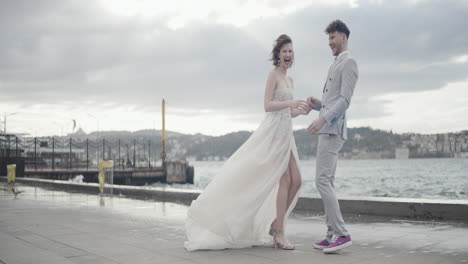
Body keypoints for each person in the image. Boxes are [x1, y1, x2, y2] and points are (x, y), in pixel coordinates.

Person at [185, 34, 310, 251]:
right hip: (272, 133)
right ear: (277, 55)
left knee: (297, 180)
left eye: (291, 51)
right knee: (286, 179)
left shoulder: (290, 80)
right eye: (284, 51)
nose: (288, 55)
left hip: (286, 132)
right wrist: (290, 102)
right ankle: (279, 234)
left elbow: (287, 112)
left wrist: (300, 110)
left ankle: (275, 224)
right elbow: (267, 105)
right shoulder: (273, 75)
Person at [306, 19, 359, 253]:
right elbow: (331, 102)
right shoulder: (336, 64)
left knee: (322, 181)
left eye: (332, 38)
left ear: (343, 37)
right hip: (328, 128)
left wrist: (322, 119)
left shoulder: (349, 62)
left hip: (332, 130)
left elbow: (345, 101)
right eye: (328, 38)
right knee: (328, 181)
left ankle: (342, 233)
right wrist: (317, 105)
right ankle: (330, 234)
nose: (330, 42)